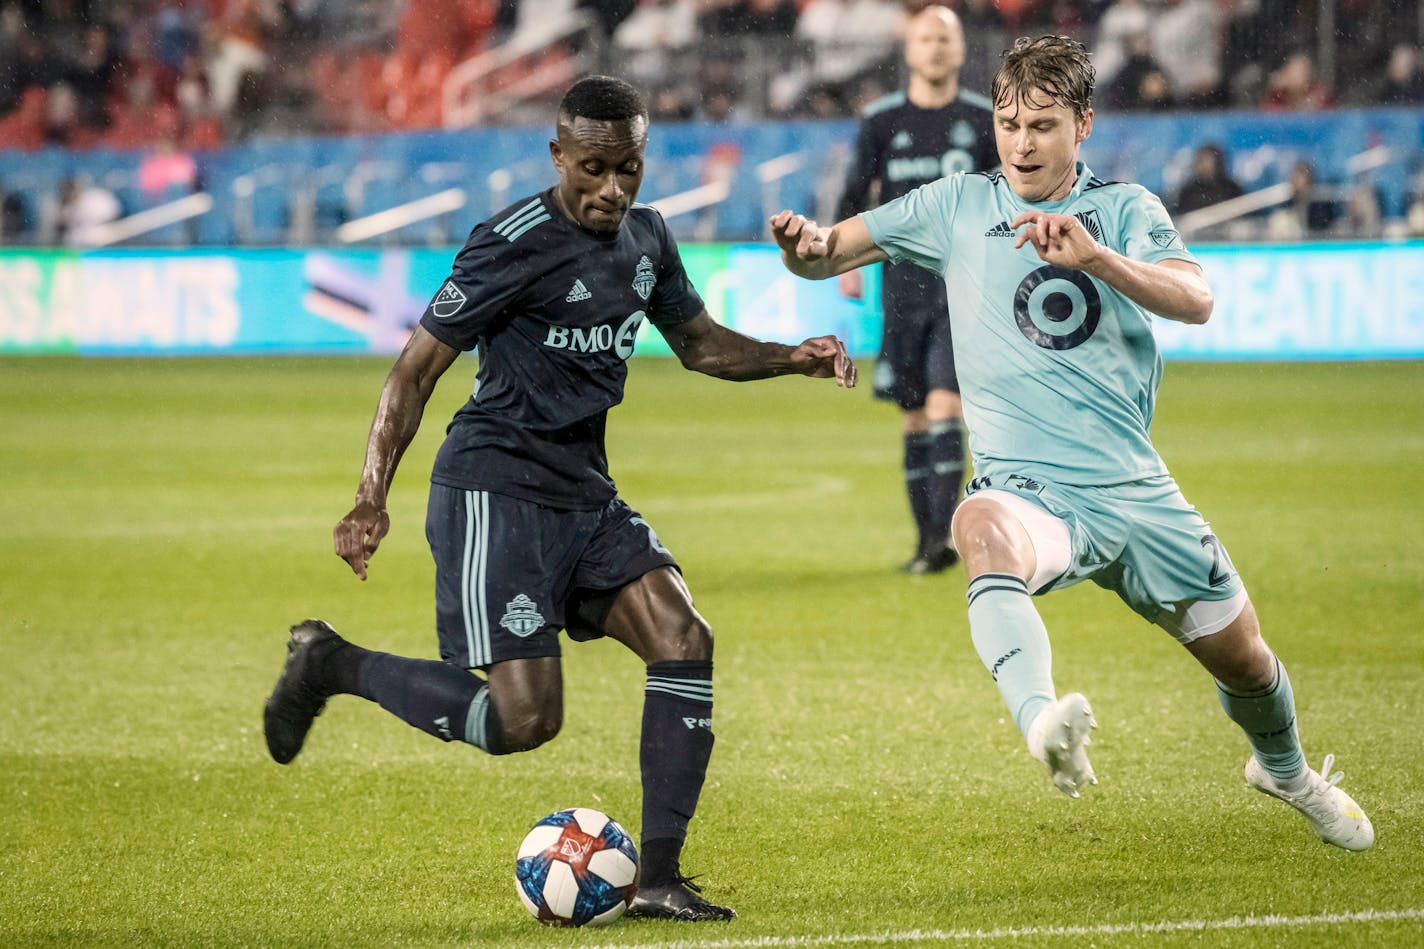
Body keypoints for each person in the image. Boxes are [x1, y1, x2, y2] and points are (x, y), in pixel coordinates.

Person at [263, 75, 856, 922]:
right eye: (593, 168)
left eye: (629, 168)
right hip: (494, 489)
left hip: (584, 491)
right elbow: (415, 369)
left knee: (684, 637)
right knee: (525, 720)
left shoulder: (647, 239)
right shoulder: (510, 242)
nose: (612, 188)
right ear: (558, 156)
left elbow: (700, 346)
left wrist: (791, 356)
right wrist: (370, 496)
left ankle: (657, 877)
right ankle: (331, 661)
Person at [771, 36, 1373, 850]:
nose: (1021, 142)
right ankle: (1041, 720)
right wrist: (802, 246)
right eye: (1009, 122)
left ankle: (1287, 770)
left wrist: (1099, 258)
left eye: (1043, 125)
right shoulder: (954, 205)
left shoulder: (1126, 209)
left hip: (1133, 490)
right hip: (1031, 490)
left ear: (1082, 124)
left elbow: (1195, 298)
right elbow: (826, 253)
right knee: (978, 528)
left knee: (1249, 662)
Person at [835, 4, 997, 575]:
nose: (934, 48)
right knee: (913, 416)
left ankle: (940, 544)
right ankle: (927, 541)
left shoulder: (982, 120)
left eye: (944, 39)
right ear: (909, 49)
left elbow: (1006, 196)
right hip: (899, 284)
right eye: (925, 38)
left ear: (958, 51)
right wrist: (845, 262)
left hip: (962, 285)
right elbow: (855, 193)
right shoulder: (882, 120)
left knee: (944, 401)